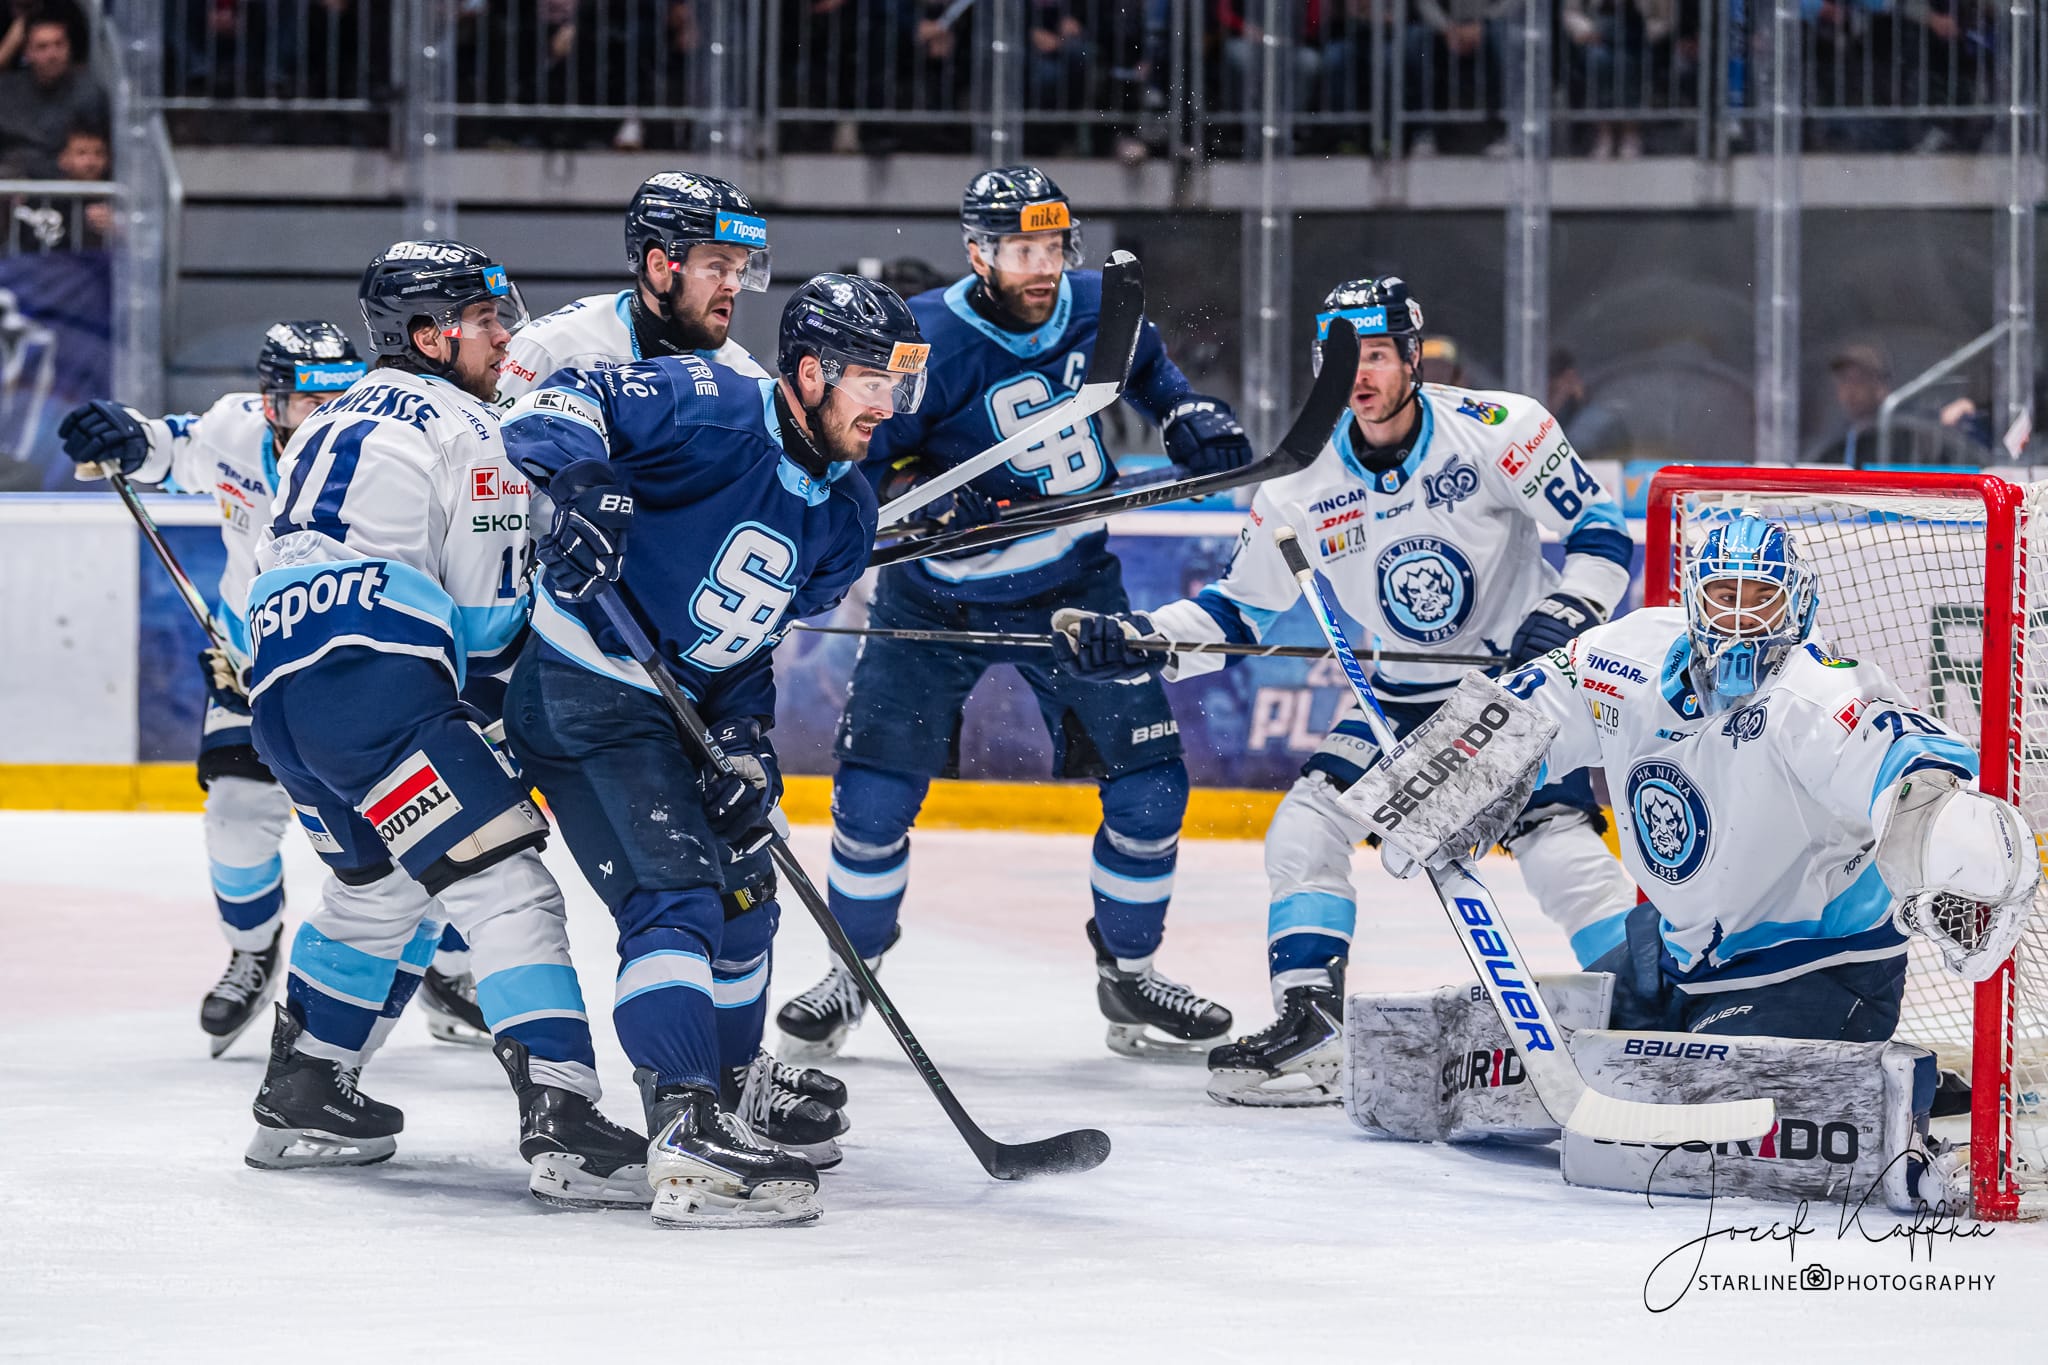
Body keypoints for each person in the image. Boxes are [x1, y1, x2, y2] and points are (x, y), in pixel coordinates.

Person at [1054, 276, 1639, 1105]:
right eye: (1340, 359)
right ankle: (1313, 1025)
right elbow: (1236, 614)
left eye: (1375, 355)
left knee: (1558, 849)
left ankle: (1648, 1011)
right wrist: (1141, 641)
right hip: (1399, 699)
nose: (1358, 375)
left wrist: (1567, 611)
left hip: (1514, 690)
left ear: (1412, 358)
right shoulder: (1300, 482)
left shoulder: (1500, 429)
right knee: (1306, 826)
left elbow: (1601, 532)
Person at [777, 164, 1253, 1066]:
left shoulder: (1103, 307)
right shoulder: (924, 342)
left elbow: (1154, 378)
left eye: (1053, 246)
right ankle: (852, 971)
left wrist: (1189, 413)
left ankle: (1130, 972)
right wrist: (918, 494)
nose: (1043, 266)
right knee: (871, 802)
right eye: (1021, 250)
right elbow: (860, 458)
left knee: (1152, 788)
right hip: (934, 600)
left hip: (1074, 589)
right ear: (977, 252)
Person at [498, 272, 923, 1228]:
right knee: (675, 891)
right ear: (809, 374)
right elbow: (550, 408)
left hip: (684, 708)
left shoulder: (846, 512)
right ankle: (684, 1125)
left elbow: (746, 640)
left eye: (899, 384)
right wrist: (585, 485)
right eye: (873, 381)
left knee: (743, 896)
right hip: (583, 692)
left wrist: (742, 737)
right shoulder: (709, 399)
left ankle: (728, 1096)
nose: (889, 405)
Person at [233, 239, 647, 1209]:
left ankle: (302, 1089)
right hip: (375, 688)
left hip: (282, 695)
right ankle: (564, 1118)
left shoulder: (334, 417)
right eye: (487, 321)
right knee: (507, 884)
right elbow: (487, 622)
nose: (506, 339)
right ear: (427, 336)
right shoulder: (471, 429)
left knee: (379, 889)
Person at [1479, 512, 2037, 1039]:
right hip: (1680, 951)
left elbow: (1907, 765)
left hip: (1815, 966)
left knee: (1700, 1095)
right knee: (1528, 1048)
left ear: (1797, 604)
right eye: (1725, 596)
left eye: (1762, 598)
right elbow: (1522, 713)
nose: (1741, 618)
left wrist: (1952, 840)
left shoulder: (1816, 692)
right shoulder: (1625, 654)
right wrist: (1455, 782)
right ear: (1695, 599)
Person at [56, 322, 365, 1057]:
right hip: (251, 668)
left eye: (339, 400)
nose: (324, 418)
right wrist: (122, 433)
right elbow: (168, 446)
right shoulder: (235, 429)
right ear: (271, 401)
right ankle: (252, 950)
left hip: (360, 677)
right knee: (233, 816)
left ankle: (447, 964)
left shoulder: (383, 453)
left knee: (405, 829)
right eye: (308, 402)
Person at [493, 170, 769, 408]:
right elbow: (488, 448)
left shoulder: (748, 379)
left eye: (739, 270)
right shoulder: (553, 351)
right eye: (717, 267)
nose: (733, 286)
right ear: (659, 266)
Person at [0, 11, 106, 178]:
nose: (52, 55)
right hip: (11, 183)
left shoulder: (89, 93)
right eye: (42, 47)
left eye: (59, 44)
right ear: (27, 53)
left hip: (70, 185)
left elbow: (94, 152)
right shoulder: (5, 91)